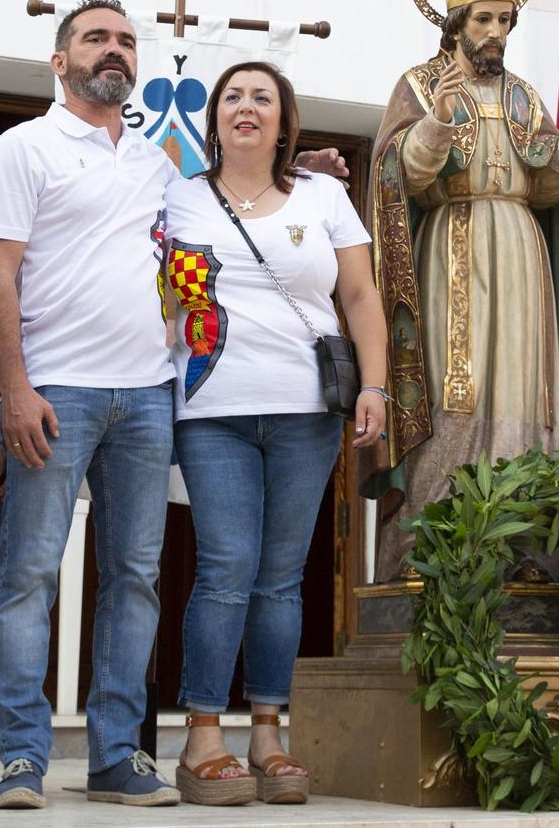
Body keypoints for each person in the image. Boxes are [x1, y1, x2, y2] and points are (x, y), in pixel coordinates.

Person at [0, 0, 181, 811]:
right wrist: (15, 389)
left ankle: (116, 756)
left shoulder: (157, 161)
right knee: (28, 574)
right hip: (55, 390)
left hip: (149, 395)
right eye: (96, 37)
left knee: (134, 578)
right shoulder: (23, 148)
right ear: (60, 61)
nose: (115, 50)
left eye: (127, 40)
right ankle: (23, 756)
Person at [163, 63, 388, 807]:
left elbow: (358, 293)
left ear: (285, 120)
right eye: (233, 96)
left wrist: (377, 386)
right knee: (227, 565)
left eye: (263, 97)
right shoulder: (177, 193)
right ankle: (202, 737)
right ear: (214, 117)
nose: (247, 107)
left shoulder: (325, 195)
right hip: (212, 407)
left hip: (305, 410)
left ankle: (267, 734)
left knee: (282, 576)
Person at [364, 0, 559, 579]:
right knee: (454, 392)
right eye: (482, 19)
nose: (495, 32)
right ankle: (429, 546)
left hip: (521, 252)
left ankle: (523, 546)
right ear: (455, 21)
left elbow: (547, 185)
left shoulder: (525, 96)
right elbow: (400, 174)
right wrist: (437, 122)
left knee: (521, 395)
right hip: (453, 249)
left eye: (503, 20)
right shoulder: (421, 85)